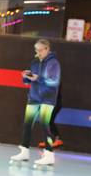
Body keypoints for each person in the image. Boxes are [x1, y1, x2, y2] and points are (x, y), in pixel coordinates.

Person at [10, 38, 61, 167]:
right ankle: (24, 151)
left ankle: (49, 154)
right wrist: (25, 78)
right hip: (34, 97)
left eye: (40, 50)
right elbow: (31, 81)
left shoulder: (53, 63)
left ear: (47, 49)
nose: (38, 52)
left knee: (44, 124)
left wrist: (40, 79)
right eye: (36, 50)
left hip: (47, 98)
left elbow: (54, 81)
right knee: (27, 124)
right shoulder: (34, 62)